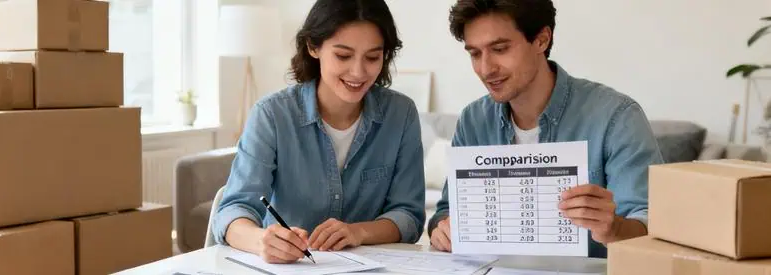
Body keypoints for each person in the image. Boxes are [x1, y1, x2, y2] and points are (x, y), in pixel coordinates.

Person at [428, 0, 663, 258]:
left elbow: (652, 228)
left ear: (541, 40)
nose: (486, 69)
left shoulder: (617, 117)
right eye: (474, 54)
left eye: (500, 49)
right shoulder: (473, 120)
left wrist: (615, 228)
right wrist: (442, 229)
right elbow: (447, 211)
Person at [211, 0, 425, 264]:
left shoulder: (401, 114)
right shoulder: (272, 115)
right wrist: (261, 241)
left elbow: (409, 215)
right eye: (343, 56)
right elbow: (233, 211)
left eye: (372, 57)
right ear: (313, 47)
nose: (358, 72)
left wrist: (358, 232)